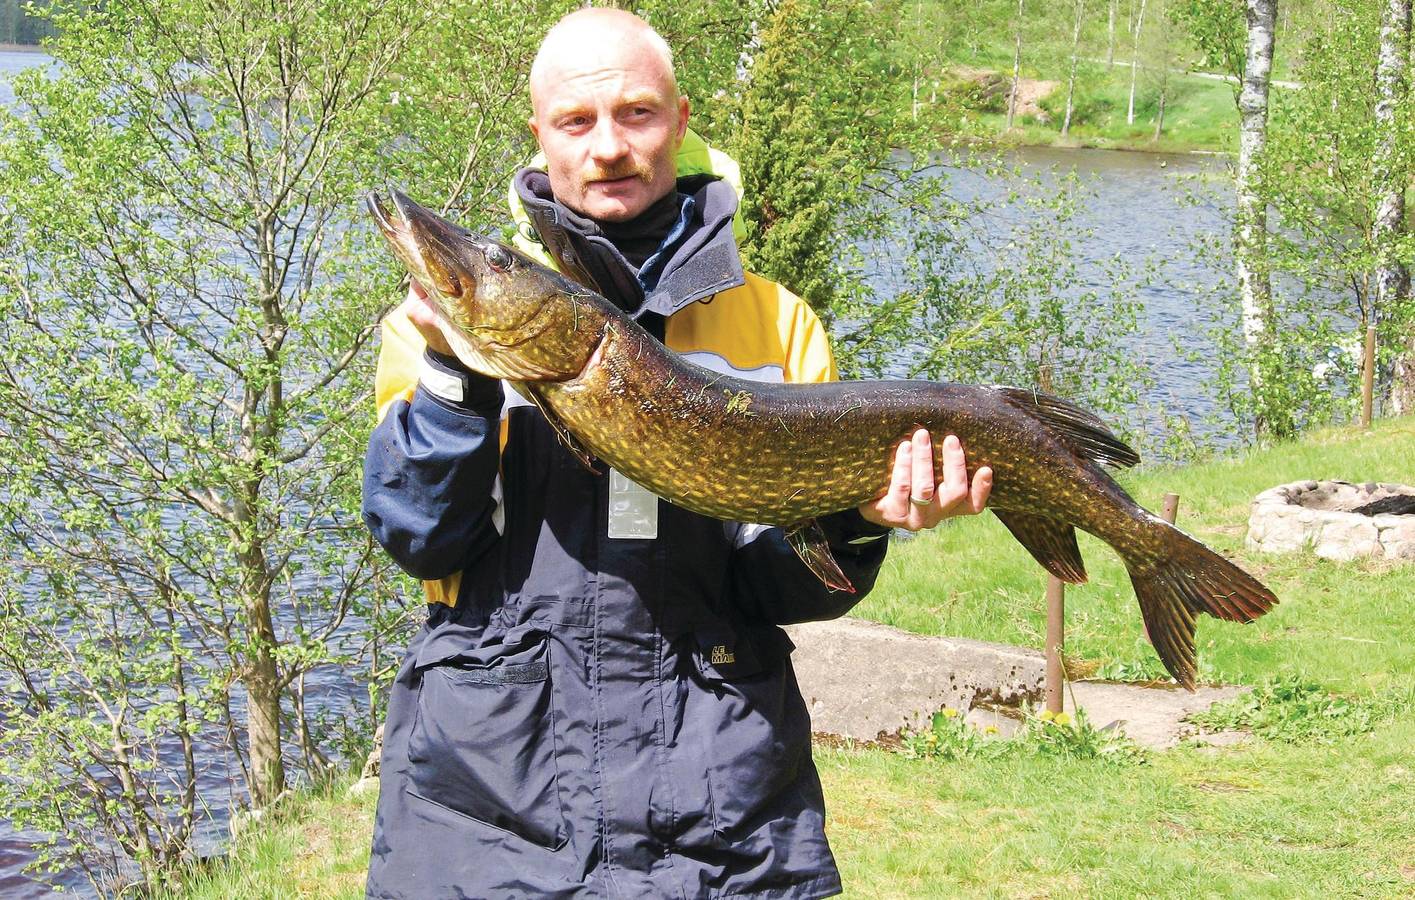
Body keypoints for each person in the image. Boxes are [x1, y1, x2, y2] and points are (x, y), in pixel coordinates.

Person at [361, 9, 991, 899]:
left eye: (637, 113)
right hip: (492, 814)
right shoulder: (431, 334)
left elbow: (781, 589)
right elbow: (419, 540)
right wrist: (453, 377)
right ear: (539, 134)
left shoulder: (776, 325)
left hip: (718, 809)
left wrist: (857, 520)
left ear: (682, 120)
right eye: (576, 122)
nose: (608, 146)